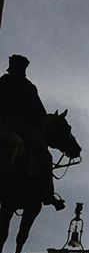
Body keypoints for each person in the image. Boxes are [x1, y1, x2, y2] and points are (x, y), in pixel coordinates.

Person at [0, 54, 63, 209]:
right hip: (6, 126)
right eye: (20, 67)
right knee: (25, 148)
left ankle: (48, 194)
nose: (22, 70)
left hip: (22, 128)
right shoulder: (5, 83)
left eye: (23, 68)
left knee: (44, 155)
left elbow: (39, 110)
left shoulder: (28, 86)